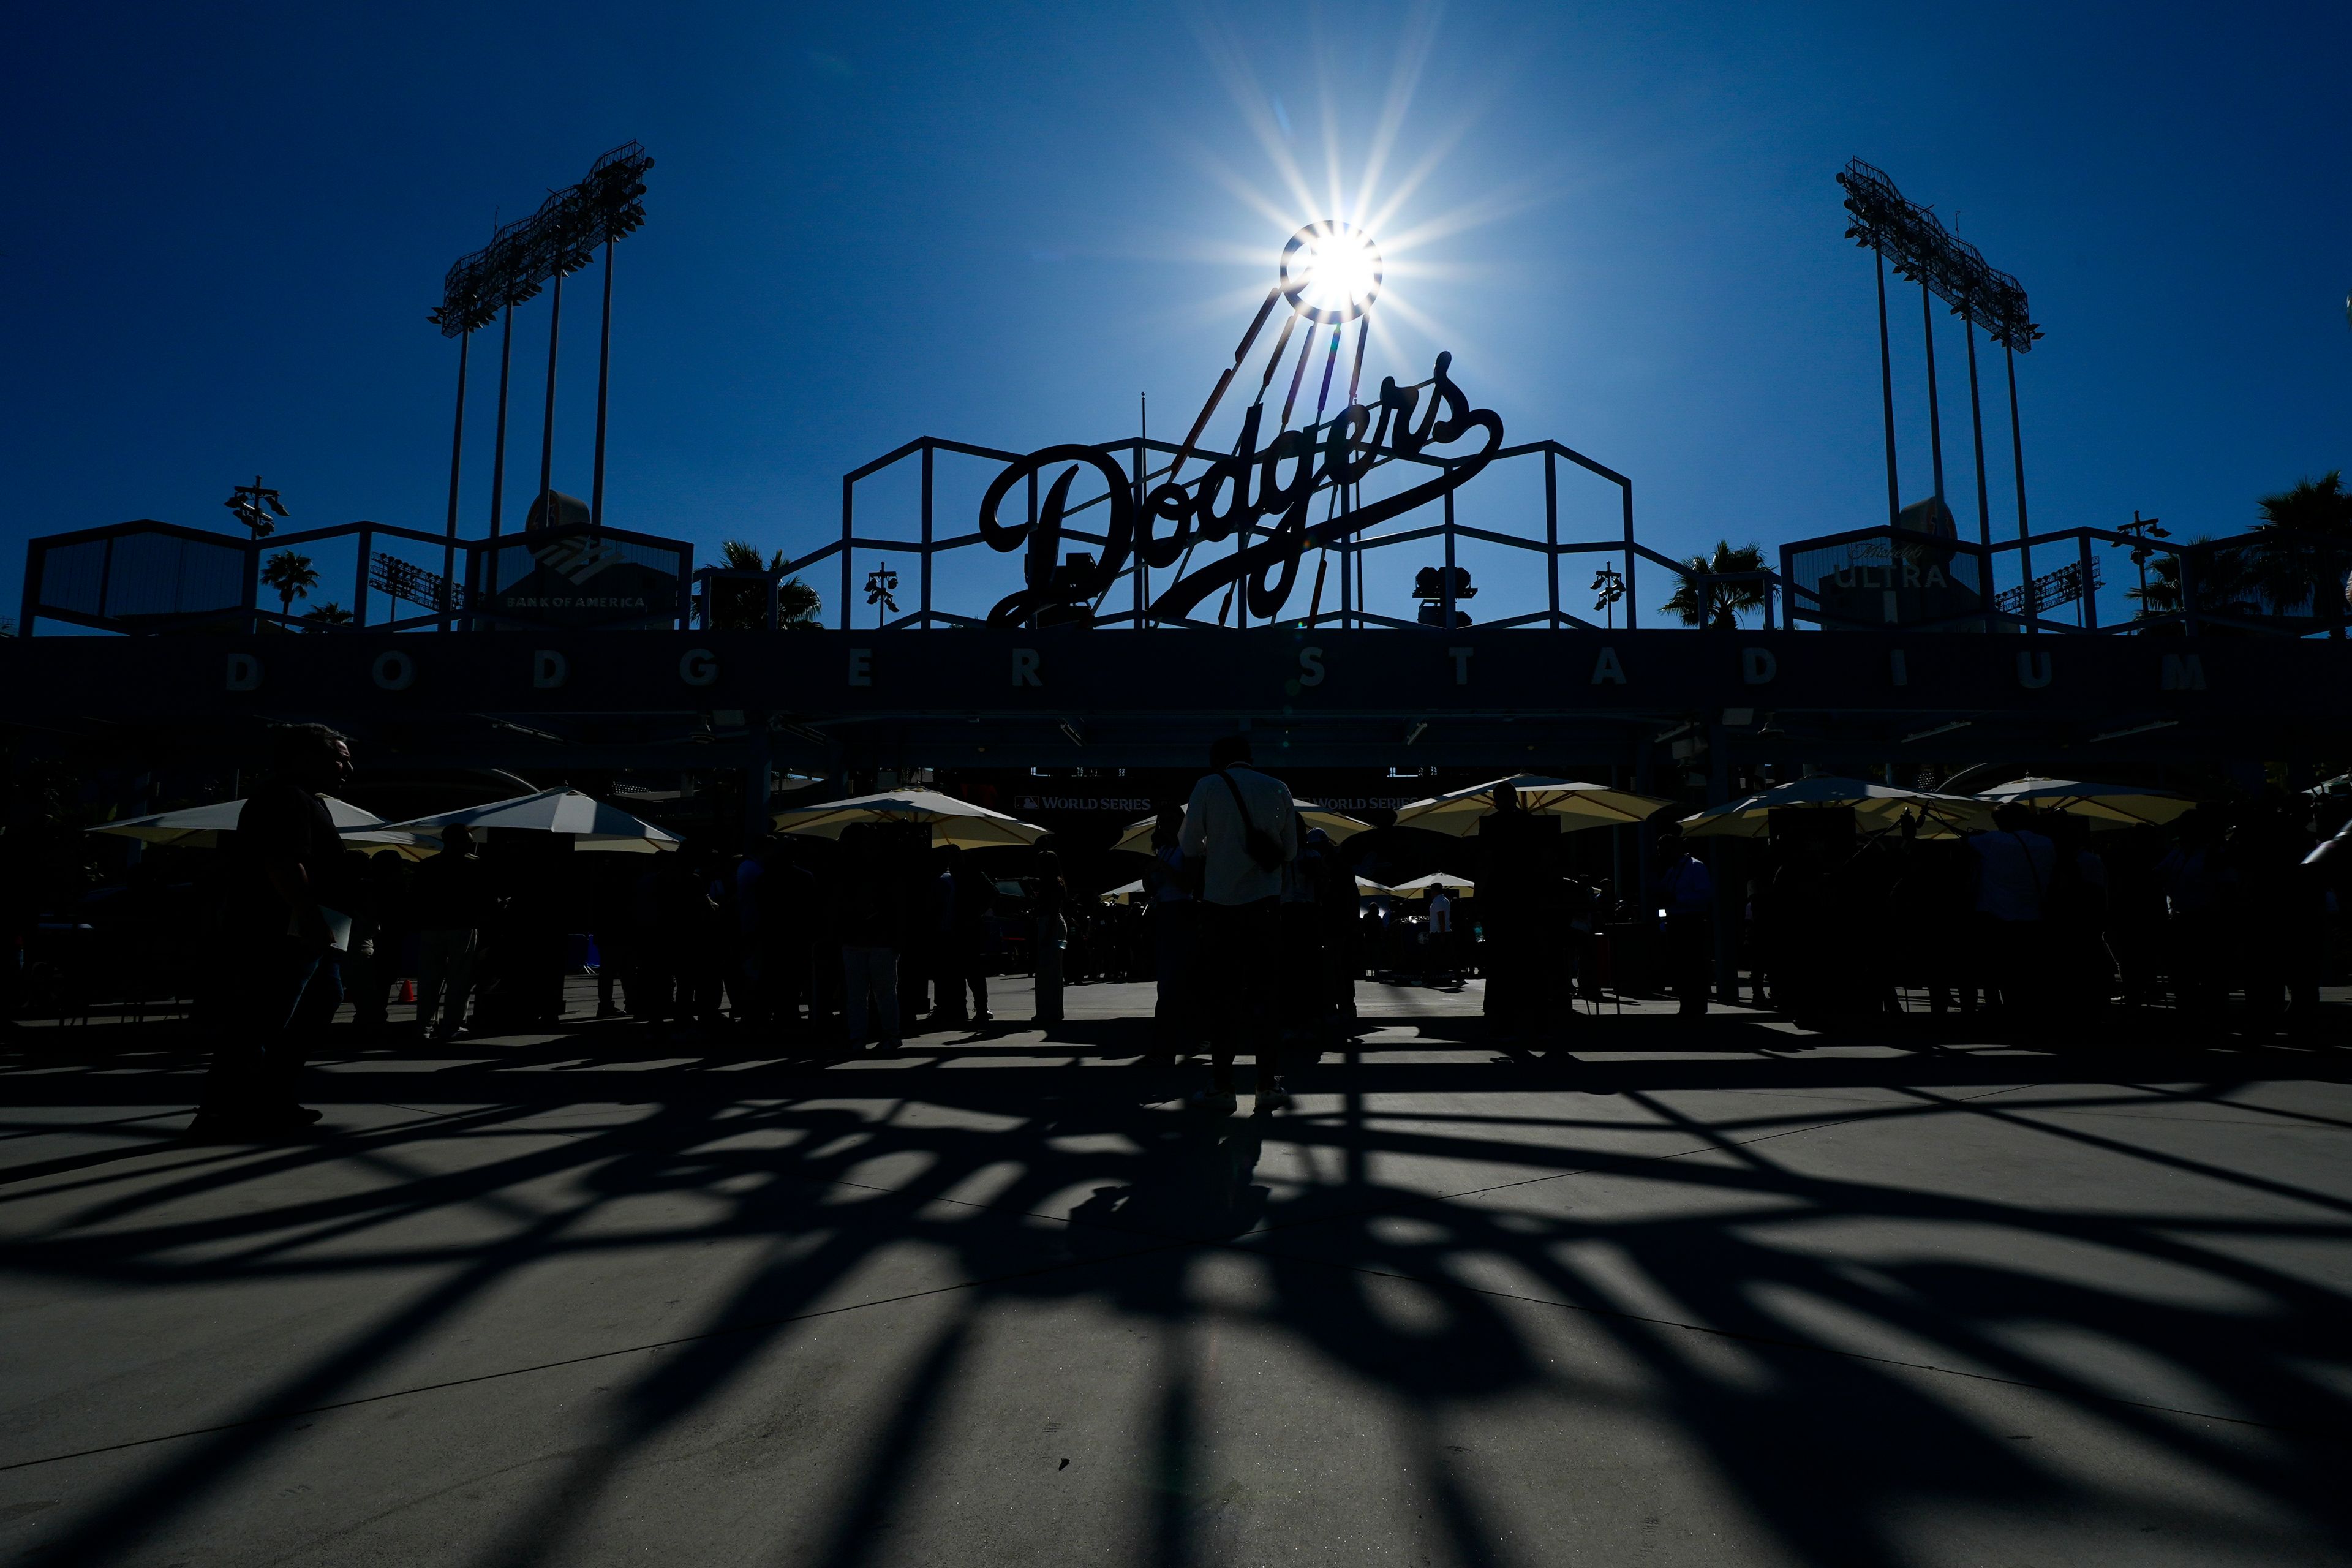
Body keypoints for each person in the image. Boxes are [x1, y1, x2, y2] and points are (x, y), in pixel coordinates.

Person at [191, 723, 353, 1137]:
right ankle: (222, 1110)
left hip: (304, 930)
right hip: (281, 931)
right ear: (305, 757)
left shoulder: (304, 800)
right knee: (263, 1017)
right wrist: (311, 919)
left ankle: (269, 1098)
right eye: (340, 758)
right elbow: (283, 862)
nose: (347, 769)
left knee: (310, 1006)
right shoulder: (286, 799)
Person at [1178, 733, 1298, 1114]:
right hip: (1265, 906)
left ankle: (1223, 1086)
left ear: (1218, 761)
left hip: (1220, 907)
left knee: (1223, 997)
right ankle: (1266, 1084)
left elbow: (1188, 846)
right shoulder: (1278, 788)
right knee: (1266, 997)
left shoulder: (1208, 786)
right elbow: (1291, 851)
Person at [1477, 784, 1560, 1042]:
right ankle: (1539, 1022)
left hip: (1500, 902)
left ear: (1495, 801)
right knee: (1533, 964)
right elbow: (1547, 862)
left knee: (1501, 965)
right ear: (1515, 799)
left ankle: (1501, 1022)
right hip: (1530, 901)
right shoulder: (1534, 824)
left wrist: (1479, 899)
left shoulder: (1490, 826)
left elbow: (1486, 865)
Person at [1968, 804, 2056, 1018]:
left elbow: (1967, 843)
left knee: (2001, 970)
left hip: (1998, 917)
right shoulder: (2046, 843)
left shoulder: (1992, 841)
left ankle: (2005, 1010)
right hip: (2034, 916)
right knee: (2027, 971)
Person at [412, 824, 490, 1041]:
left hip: (431, 927)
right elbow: (482, 899)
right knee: (459, 979)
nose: (471, 843)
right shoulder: (473, 867)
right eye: (468, 839)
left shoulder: (427, 866)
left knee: (429, 979)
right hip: (463, 926)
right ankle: (452, 1024)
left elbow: (416, 897)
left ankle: (424, 1026)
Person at [838, 824, 905, 1052]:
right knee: (885, 993)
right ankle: (890, 1034)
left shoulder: (845, 872)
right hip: (882, 940)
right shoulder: (887, 870)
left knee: (856, 995)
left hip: (855, 939)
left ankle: (858, 1037)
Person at [1146, 805, 1198, 1063]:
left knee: (1174, 981)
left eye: (1171, 820)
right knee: (1166, 981)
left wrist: (1163, 868)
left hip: (1181, 913)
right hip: (1165, 913)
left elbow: (1188, 884)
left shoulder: (1187, 849)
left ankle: (1168, 1042)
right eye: (1162, 820)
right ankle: (1166, 1041)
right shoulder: (1164, 849)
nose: (1166, 825)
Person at [1659, 832, 1715, 1018]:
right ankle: (1687, 1005)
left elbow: (1705, 896)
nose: (1662, 855)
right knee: (1682, 967)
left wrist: (1677, 898)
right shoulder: (1672, 870)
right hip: (1677, 921)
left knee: (1693, 966)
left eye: (1664, 851)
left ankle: (1696, 1007)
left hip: (1691, 922)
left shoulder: (1695, 867)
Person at [1033, 850, 1069, 1025]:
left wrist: (1048, 934)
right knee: (1050, 971)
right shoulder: (1054, 882)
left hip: (1051, 924)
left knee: (1049, 971)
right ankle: (1051, 1010)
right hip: (1051, 923)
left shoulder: (1053, 884)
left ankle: (1049, 1011)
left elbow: (1054, 910)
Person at [1426, 886, 1455, 982]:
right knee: (1449, 955)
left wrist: (1442, 934)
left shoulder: (1438, 901)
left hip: (1438, 932)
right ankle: (1459, 977)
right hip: (1444, 931)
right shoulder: (1445, 900)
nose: (1430, 893)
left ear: (1435, 891)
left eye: (1431, 890)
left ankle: (1425, 979)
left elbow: (1441, 917)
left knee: (1431, 956)